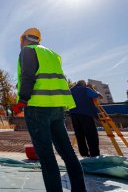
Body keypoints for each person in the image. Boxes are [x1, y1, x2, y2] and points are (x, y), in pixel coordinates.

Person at [12, 28, 86, 192]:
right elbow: (50, 79)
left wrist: (22, 100)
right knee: (68, 153)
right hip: (57, 108)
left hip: (37, 108)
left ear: (24, 39)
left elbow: (28, 76)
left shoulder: (28, 51)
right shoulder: (53, 54)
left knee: (46, 156)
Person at [70, 80, 102, 157]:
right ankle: (94, 154)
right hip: (86, 114)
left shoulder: (70, 91)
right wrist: (93, 89)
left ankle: (84, 154)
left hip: (74, 115)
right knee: (91, 135)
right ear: (84, 84)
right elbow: (98, 96)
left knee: (79, 135)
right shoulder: (86, 89)